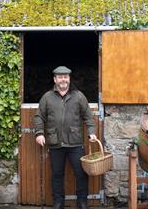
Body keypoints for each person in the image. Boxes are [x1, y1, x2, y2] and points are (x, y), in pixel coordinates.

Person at [34, 66, 97, 209]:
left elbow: (88, 117)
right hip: (55, 142)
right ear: (55, 79)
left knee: (81, 174)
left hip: (75, 143)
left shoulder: (79, 96)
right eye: (60, 77)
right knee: (57, 175)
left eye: (66, 77)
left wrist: (91, 132)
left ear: (69, 79)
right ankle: (58, 203)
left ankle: (82, 202)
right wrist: (39, 133)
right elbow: (39, 117)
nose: (63, 79)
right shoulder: (47, 97)